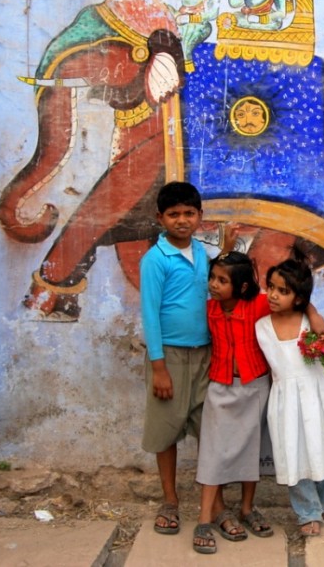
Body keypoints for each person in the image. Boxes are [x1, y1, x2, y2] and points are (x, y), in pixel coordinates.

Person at [193, 251, 324, 553]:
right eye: (212, 278)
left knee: (251, 449)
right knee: (213, 452)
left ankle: (247, 508)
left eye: (222, 280)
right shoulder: (209, 307)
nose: (213, 285)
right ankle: (204, 519)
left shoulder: (259, 305)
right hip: (221, 385)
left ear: (242, 287)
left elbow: (296, 296)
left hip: (255, 386)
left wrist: (315, 314)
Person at [140, 181, 233, 535]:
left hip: (205, 354)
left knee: (209, 430)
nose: (182, 220)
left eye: (189, 213)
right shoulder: (156, 260)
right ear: (160, 218)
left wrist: (225, 252)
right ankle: (170, 500)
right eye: (174, 214)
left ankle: (216, 504)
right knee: (166, 430)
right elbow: (150, 314)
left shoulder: (200, 253)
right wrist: (159, 367)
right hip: (170, 357)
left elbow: (215, 285)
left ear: (200, 216)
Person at [255, 250, 324, 537]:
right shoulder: (261, 327)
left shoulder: (310, 324)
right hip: (286, 402)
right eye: (271, 287)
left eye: (282, 291)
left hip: (318, 396)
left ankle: (322, 498)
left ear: (298, 298)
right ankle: (307, 512)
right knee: (294, 456)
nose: (273, 295)